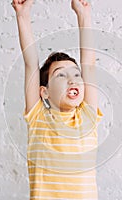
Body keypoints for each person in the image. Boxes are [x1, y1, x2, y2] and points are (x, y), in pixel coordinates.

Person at [12, 0, 103, 199]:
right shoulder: (38, 117)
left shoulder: (87, 116)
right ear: (44, 92)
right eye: (61, 75)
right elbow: (31, 64)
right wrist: (22, 15)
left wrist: (83, 13)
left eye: (76, 74)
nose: (72, 80)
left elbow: (89, 63)